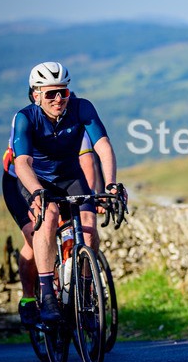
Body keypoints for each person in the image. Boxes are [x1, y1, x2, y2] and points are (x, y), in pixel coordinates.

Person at [12, 62, 125, 323]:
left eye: (62, 92)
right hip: (37, 179)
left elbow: (103, 146)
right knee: (49, 217)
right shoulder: (25, 117)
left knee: (89, 229)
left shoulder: (82, 107)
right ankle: (47, 296)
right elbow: (22, 163)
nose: (58, 99)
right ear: (36, 95)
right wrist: (37, 192)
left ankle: (84, 292)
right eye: (50, 93)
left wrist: (110, 184)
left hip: (70, 177)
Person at [2, 114, 99, 327]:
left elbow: (87, 162)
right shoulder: (28, 121)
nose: (59, 102)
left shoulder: (74, 122)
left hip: (61, 181)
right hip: (20, 181)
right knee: (34, 234)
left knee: (75, 228)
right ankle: (30, 298)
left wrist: (90, 197)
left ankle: (75, 291)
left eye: (65, 98)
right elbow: (23, 165)